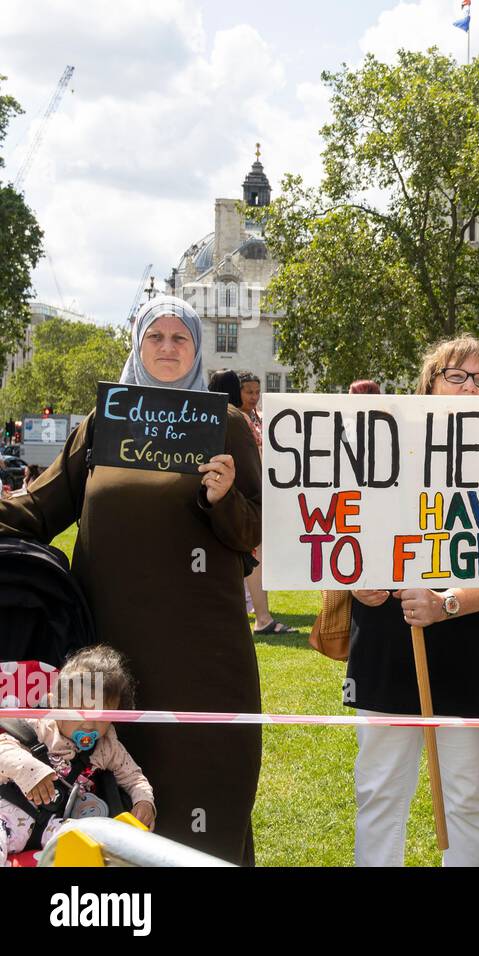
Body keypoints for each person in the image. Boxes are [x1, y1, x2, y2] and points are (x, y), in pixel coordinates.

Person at [0, 294, 262, 865]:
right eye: (155, 337)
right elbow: (41, 507)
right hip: (108, 652)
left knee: (202, 788)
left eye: (181, 338)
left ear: (196, 349)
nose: (168, 349)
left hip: (203, 659)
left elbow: (256, 530)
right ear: (138, 346)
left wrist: (221, 500)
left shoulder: (227, 425)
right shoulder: (105, 419)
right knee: (104, 789)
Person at [346, 335, 479, 867]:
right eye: (454, 376)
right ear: (429, 385)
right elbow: (342, 530)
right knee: (379, 790)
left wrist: (448, 603)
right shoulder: (383, 450)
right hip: (390, 642)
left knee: (469, 798)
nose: (467, 386)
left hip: (478, 645)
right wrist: (354, 581)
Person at [0, 646, 156, 864]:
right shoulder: (38, 725)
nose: (89, 723)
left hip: (56, 826)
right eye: (80, 712)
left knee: (97, 845)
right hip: (6, 817)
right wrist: (29, 770)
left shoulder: (108, 747)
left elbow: (134, 778)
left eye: (101, 716)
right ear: (57, 703)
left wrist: (144, 803)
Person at [211, 370, 295, 636]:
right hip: (243, 496)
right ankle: (262, 617)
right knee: (252, 555)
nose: (253, 396)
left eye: (257, 391)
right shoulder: (235, 419)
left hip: (236, 495)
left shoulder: (234, 418)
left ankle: (255, 614)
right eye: (246, 390)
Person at [238, 372, 262, 448]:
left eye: (257, 392)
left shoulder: (259, 418)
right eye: (249, 392)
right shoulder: (233, 418)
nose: (254, 397)